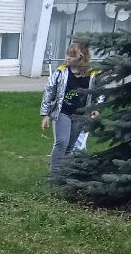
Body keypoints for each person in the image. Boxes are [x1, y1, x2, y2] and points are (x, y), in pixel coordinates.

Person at [41, 43, 97, 176]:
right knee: (62, 142)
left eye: (72, 55)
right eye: (68, 55)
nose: (68, 58)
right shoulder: (61, 72)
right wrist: (46, 114)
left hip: (80, 114)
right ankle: (54, 176)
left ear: (82, 57)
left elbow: (98, 92)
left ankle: (63, 174)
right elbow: (49, 92)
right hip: (63, 112)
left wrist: (96, 107)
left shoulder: (92, 74)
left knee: (70, 145)